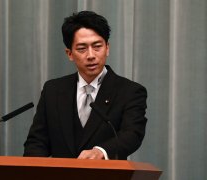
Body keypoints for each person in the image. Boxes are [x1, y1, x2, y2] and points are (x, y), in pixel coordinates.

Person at [24, 11, 147, 160]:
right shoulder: (53, 90)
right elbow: (37, 141)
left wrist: (101, 151)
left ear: (107, 48)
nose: (91, 55)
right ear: (69, 53)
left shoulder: (129, 91)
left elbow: (132, 134)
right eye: (82, 49)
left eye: (97, 46)